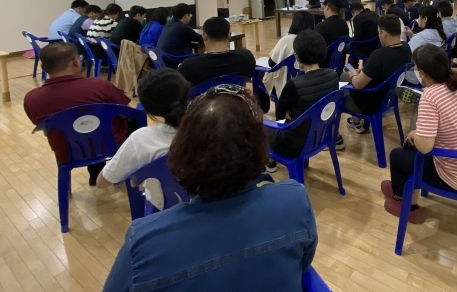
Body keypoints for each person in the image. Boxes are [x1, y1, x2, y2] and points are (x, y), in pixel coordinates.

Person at [103, 88, 318, 291]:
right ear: (260, 149)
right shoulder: (295, 201)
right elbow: (302, 262)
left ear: (182, 152)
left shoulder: (144, 243)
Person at [382, 44, 457, 223]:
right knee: (410, 149)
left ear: (423, 73)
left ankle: (407, 205)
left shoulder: (430, 97)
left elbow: (425, 147)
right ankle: (403, 189)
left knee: (398, 155)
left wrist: (415, 135)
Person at [23, 42, 131, 185]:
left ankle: (96, 174)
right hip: (111, 143)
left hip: (66, 150)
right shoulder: (100, 86)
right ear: (74, 62)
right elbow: (126, 112)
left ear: (43, 68)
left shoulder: (32, 99)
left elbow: (40, 124)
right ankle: (129, 171)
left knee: (83, 131)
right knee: (124, 121)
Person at [97, 69, 189, 210]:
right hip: (214, 207)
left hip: (164, 210)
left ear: (148, 109)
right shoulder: (213, 127)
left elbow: (102, 181)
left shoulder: (141, 140)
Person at [270, 30, 340, 157]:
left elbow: (280, 117)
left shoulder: (294, 85)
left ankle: (271, 162)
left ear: (298, 57)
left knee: (260, 130)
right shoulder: (334, 76)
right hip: (322, 135)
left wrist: (291, 113)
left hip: (296, 144)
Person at [344, 14, 412, 133]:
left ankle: (356, 122)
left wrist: (354, 74)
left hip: (372, 102)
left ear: (383, 33)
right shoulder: (406, 48)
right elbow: (384, 69)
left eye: (379, 33)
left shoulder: (379, 55)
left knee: (342, 80)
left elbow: (358, 85)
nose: (378, 36)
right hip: (390, 97)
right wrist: (365, 71)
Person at [178, 16, 256, 87]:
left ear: (204, 36)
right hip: (238, 98)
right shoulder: (247, 58)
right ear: (229, 35)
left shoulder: (188, 66)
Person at [263, 11, 315, 101]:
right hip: (308, 83)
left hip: (286, 84)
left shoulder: (286, 40)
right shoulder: (314, 40)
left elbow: (272, 63)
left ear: (294, 23)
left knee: (261, 75)